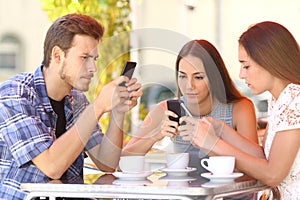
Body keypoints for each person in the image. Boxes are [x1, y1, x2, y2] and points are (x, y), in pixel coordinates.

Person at [0, 13, 142, 200]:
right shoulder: (15, 94)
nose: (93, 68)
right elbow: (52, 166)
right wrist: (98, 106)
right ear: (57, 55)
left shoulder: (77, 100)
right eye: (85, 58)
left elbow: (107, 163)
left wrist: (117, 110)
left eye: (94, 59)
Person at [179, 22, 300, 199]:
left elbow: (273, 174)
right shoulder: (280, 99)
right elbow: (265, 156)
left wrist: (213, 143)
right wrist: (221, 130)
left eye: (246, 65)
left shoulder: (294, 98)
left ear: (270, 61)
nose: (241, 74)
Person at [122, 39, 258, 175]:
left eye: (198, 77)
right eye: (182, 76)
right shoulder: (166, 110)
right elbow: (121, 162)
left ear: (215, 77)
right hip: (184, 194)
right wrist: (154, 136)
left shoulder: (239, 109)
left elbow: (256, 166)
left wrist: (211, 142)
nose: (189, 86)